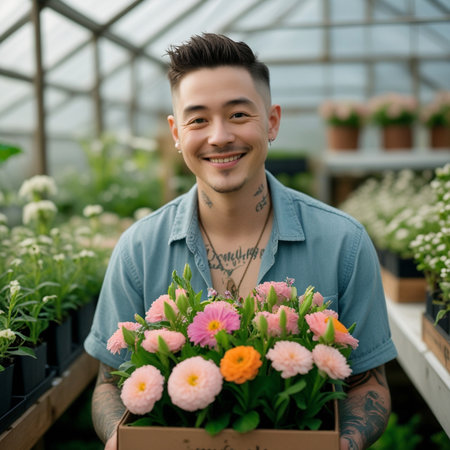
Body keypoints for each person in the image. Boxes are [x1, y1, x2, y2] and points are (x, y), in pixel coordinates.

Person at [84, 33, 397, 450]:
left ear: (271, 122)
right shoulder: (139, 250)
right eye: (198, 119)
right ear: (177, 133)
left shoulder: (344, 243)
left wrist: (344, 444)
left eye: (237, 115)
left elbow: (368, 384)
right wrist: (117, 440)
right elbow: (108, 382)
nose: (219, 137)